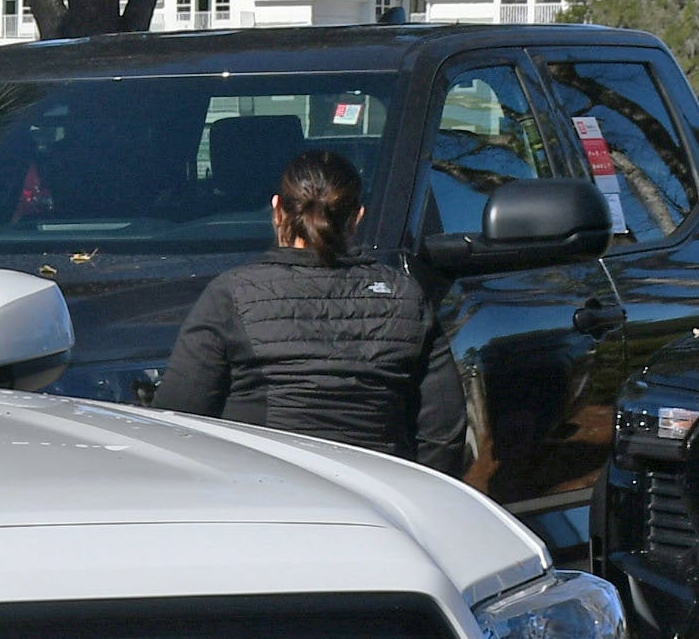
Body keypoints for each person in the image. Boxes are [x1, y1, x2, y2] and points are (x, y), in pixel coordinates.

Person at [153, 147, 467, 470]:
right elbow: (443, 429)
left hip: (258, 491)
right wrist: (413, 491)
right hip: (377, 492)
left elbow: (177, 420)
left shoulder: (231, 295)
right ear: (358, 217)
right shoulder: (405, 297)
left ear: (277, 210)